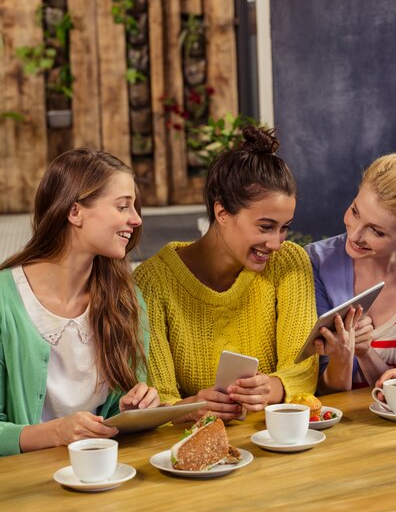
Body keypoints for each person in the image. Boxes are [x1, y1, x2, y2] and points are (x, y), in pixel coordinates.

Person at [133, 126, 318, 422]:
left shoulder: (289, 263)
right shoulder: (153, 283)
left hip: (275, 440)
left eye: (284, 227)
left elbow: (302, 369)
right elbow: (157, 396)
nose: (277, 243)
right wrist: (191, 406)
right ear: (222, 213)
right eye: (265, 227)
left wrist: (271, 388)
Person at [0, 149, 160, 456]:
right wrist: (56, 432)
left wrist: (130, 408)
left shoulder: (126, 300)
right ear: (75, 212)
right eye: (123, 206)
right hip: (25, 489)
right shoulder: (5, 302)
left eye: (134, 207)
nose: (136, 219)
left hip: (104, 473)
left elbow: (112, 418)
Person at [305, 153, 396, 393]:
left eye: (376, 231)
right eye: (355, 212)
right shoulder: (316, 262)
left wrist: (366, 352)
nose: (354, 236)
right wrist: (342, 357)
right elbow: (319, 393)